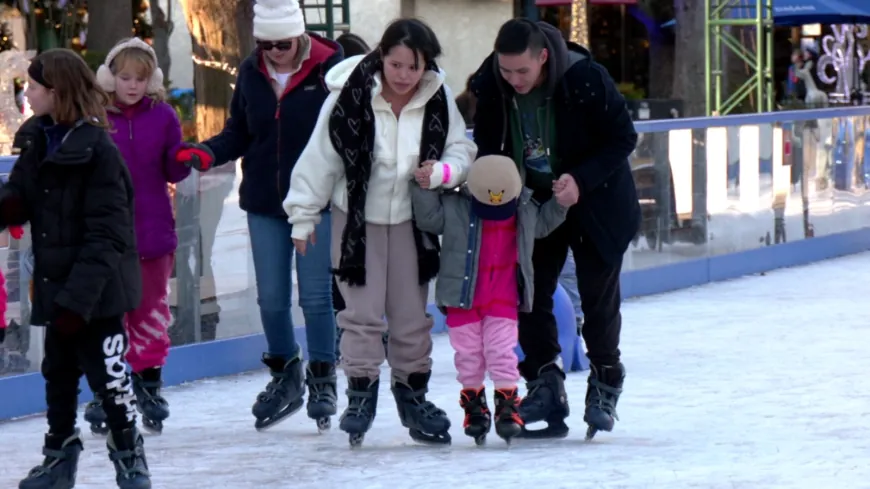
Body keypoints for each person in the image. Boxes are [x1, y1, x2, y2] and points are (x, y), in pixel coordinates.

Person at [284, 18, 476, 447]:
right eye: (396, 64)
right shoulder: (350, 96)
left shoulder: (439, 98)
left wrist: (445, 171)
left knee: (411, 316)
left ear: (426, 65)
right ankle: (360, 395)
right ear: (381, 58)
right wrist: (302, 216)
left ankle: (413, 397)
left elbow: (461, 147)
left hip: (413, 224)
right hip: (356, 222)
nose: (404, 75)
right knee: (362, 315)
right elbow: (320, 157)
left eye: (414, 66)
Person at [176, 0, 343, 432]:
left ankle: (323, 377)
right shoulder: (251, 72)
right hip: (265, 202)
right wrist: (210, 151)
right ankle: (286, 373)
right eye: (265, 45)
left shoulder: (331, 68)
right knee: (270, 297)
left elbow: (347, 129)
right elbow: (240, 131)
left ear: (300, 37)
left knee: (315, 296)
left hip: (316, 201)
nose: (273, 52)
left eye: (282, 44)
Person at [469, 19, 640, 440]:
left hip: (594, 200)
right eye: (506, 72)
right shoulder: (492, 84)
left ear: (542, 57)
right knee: (528, 290)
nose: (514, 80)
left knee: (597, 294)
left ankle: (604, 381)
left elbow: (623, 138)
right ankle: (544, 383)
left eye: (522, 72)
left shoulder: (584, 78)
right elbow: (490, 146)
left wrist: (581, 179)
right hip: (536, 204)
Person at [2, 48, 150, 489]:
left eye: (32, 87)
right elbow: (20, 198)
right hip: (56, 284)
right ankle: (59, 455)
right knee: (58, 375)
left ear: (55, 91)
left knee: (111, 380)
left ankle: (129, 454)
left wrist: (77, 301)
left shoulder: (98, 151)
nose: (26, 94)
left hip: (97, 292)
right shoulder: (39, 140)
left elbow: (109, 235)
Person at [411, 154, 568, 445]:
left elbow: (544, 225)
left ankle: (507, 407)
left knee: (501, 353)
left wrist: (561, 203)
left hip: (503, 300)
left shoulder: (523, 210)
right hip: (463, 299)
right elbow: (429, 219)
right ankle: (475, 408)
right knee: (469, 357)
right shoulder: (456, 206)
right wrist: (425, 185)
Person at [77, 37, 189, 437]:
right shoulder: (94, 118)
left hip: (153, 232)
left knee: (150, 313)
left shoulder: (163, 117)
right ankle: (107, 389)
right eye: (125, 77)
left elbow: (173, 170)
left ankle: (149, 387)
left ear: (151, 80)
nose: (132, 86)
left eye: (140, 79)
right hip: (106, 238)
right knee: (108, 317)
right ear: (110, 77)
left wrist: (183, 158)